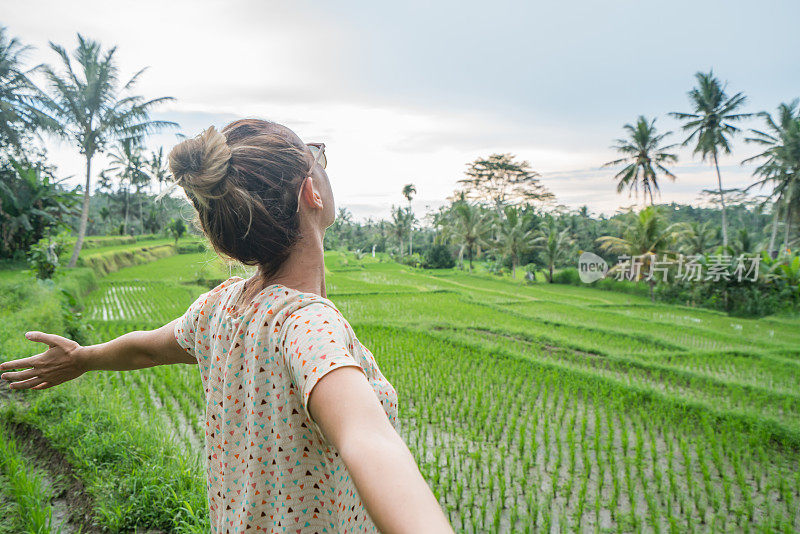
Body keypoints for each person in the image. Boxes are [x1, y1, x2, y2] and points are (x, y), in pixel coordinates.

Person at [0, 119, 454, 534]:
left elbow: (148, 349)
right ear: (310, 193)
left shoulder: (221, 309)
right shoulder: (307, 324)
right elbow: (367, 439)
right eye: (318, 155)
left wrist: (83, 357)